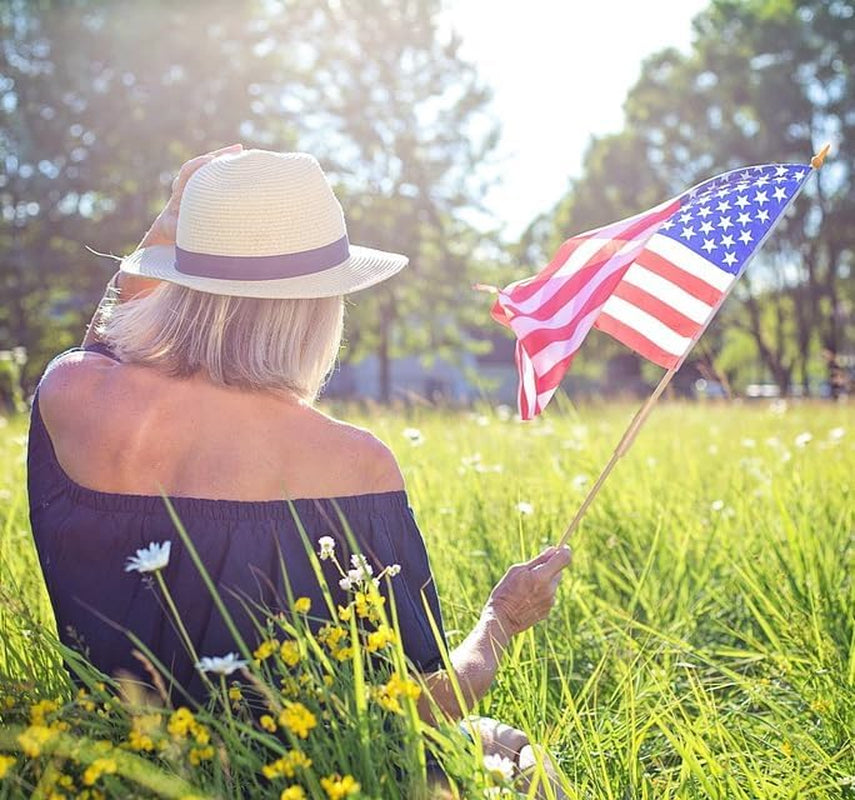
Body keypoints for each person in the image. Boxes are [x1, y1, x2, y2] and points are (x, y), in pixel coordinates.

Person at [27, 145, 572, 779]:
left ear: (178, 279)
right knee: (516, 756)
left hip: (116, 769)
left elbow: (106, 339)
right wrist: (501, 620)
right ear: (317, 309)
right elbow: (424, 705)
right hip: (301, 779)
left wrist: (176, 222)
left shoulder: (70, 392)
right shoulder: (354, 464)